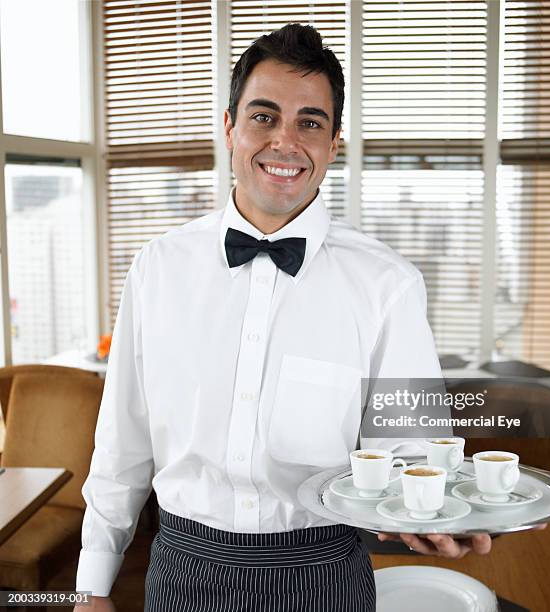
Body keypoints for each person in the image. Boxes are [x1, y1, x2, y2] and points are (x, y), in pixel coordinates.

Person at [74, 24, 495, 612]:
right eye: (264, 116)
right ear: (229, 127)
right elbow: (122, 443)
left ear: (333, 142)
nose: (285, 141)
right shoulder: (156, 268)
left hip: (328, 571)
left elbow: (415, 448)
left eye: (310, 123)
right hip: (181, 572)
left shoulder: (388, 284)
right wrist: (92, 585)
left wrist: (436, 514)